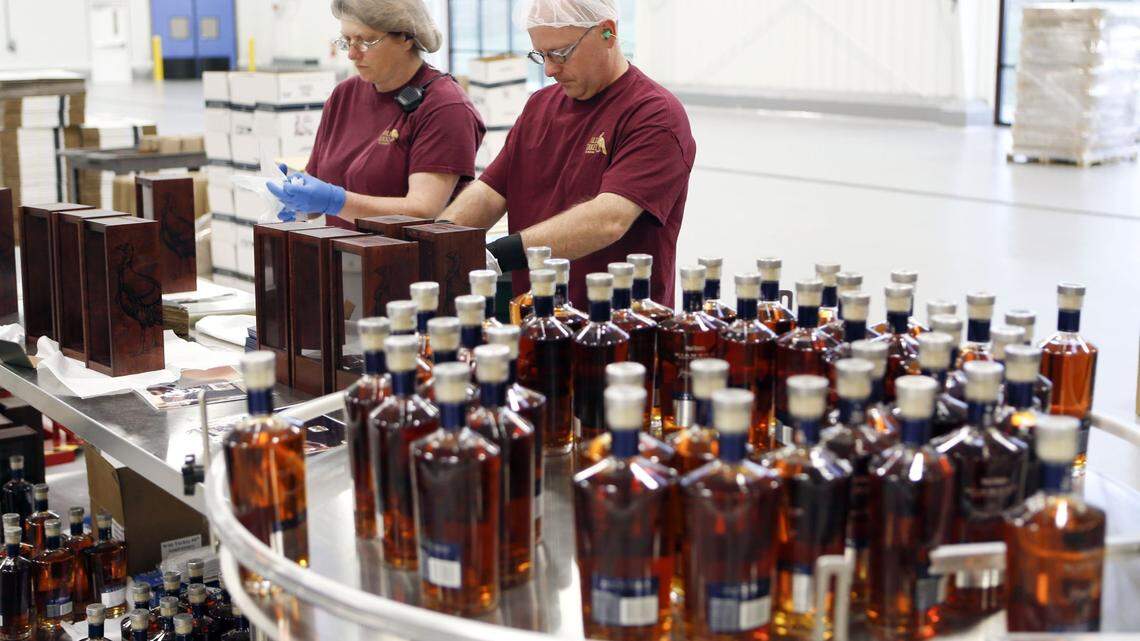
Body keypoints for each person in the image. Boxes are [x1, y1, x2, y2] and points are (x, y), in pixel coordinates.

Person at [441, 0, 696, 306]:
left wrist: (497, 255)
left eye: (560, 53)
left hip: (619, 326)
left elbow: (609, 219)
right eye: (541, 55)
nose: (549, 70)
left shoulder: (654, 114)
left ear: (607, 33)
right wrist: (438, 239)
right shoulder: (540, 105)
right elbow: (489, 193)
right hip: (536, 320)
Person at [269, 0, 486, 228]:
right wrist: (296, 201)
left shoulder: (445, 106)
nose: (352, 54)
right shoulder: (344, 95)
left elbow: (422, 210)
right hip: (344, 258)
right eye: (347, 41)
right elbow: (318, 194)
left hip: (407, 259)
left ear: (406, 38)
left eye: (366, 41)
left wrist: (336, 200)